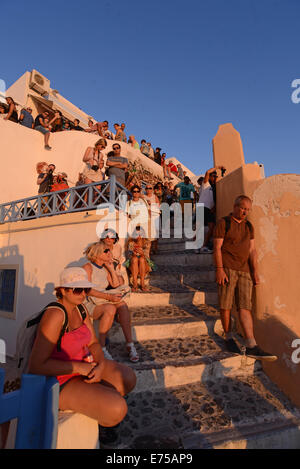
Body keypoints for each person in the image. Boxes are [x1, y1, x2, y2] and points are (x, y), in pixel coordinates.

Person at [28, 266, 136, 430]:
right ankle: (105, 422)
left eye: (86, 289)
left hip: (85, 367)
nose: (84, 294)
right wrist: (79, 368)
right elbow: (36, 365)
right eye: (78, 290)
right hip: (59, 378)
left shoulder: (81, 309)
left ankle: (100, 401)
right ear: (63, 291)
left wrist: (100, 365)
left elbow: (93, 343)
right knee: (117, 408)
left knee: (127, 378)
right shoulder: (55, 315)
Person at [214, 195, 277, 361]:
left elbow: (252, 250)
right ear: (235, 206)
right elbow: (217, 248)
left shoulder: (249, 226)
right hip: (227, 268)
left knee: (245, 306)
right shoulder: (224, 223)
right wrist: (219, 269)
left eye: (248, 210)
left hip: (245, 271)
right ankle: (228, 337)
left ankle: (251, 345)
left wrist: (255, 272)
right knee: (226, 305)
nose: (245, 212)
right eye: (243, 208)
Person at [82, 242, 139, 363]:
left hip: (101, 299)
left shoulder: (105, 268)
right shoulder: (88, 267)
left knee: (122, 305)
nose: (109, 253)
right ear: (97, 254)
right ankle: (101, 347)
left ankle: (130, 344)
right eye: (106, 251)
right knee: (110, 308)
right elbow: (87, 290)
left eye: (109, 250)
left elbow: (115, 284)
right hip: (89, 303)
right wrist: (109, 296)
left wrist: (112, 269)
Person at [196, 166, 225, 253]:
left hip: (207, 209)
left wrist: (214, 207)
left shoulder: (213, 187)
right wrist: (218, 167)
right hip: (203, 208)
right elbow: (207, 172)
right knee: (208, 227)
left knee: (209, 228)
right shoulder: (205, 184)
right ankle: (202, 246)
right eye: (213, 176)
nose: (214, 178)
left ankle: (201, 246)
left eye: (215, 176)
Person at [125, 226, 153, 292]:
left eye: (140, 234)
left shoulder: (147, 242)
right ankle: (135, 283)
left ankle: (142, 283)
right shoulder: (131, 242)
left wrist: (142, 253)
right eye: (137, 234)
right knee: (134, 259)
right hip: (133, 264)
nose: (139, 236)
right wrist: (133, 254)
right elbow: (128, 256)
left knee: (142, 259)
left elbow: (147, 257)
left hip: (144, 264)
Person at [144, 184, 160, 254]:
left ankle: (155, 248)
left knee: (156, 233)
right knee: (149, 233)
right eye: (147, 188)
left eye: (150, 188)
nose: (148, 190)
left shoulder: (155, 197)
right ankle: (149, 248)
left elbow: (158, 206)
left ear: (152, 189)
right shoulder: (143, 196)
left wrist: (151, 204)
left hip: (155, 216)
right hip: (147, 216)